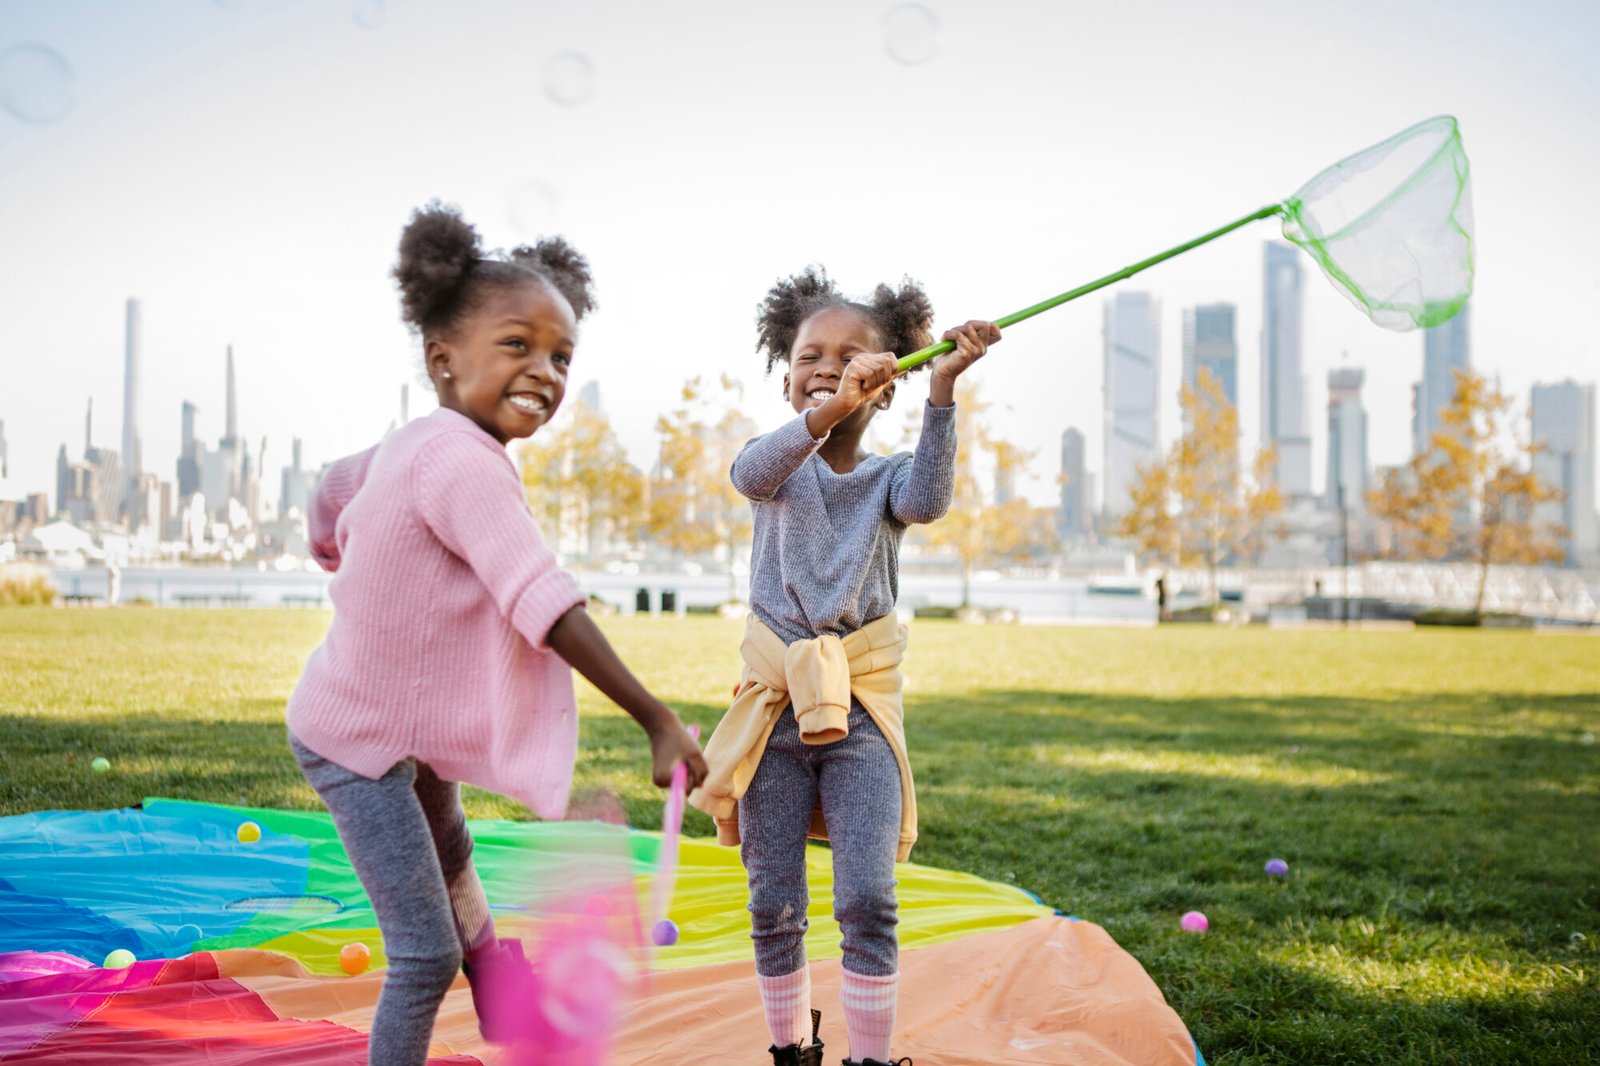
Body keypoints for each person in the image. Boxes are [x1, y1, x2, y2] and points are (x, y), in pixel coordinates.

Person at [286, 202, 706, 1066]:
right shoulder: (460, 461)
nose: (545, 372)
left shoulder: (422, 440)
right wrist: (654, 716)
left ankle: (499, 992)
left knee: (453, 849)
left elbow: (336, 483)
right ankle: (459, 992)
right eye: (517, 345)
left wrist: (331, 540)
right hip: (351, 740)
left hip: (407, 724)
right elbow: (541, 599)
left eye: (561, 356)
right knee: (422, 951)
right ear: (444, 360)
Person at [690, 267, 998, 1066]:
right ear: (787, 377)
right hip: (774, 712)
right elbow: (749, 474)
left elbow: (929, 498)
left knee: (867, 897)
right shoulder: (777, 465)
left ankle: (868, 1058)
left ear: (885, 381)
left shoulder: (889, 477)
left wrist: (941, 389)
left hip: (860, 713)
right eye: (809, 356)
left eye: (850, 355)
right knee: (775, 902)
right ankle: (791, 1050)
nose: (825, 364)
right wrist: (829, 412)